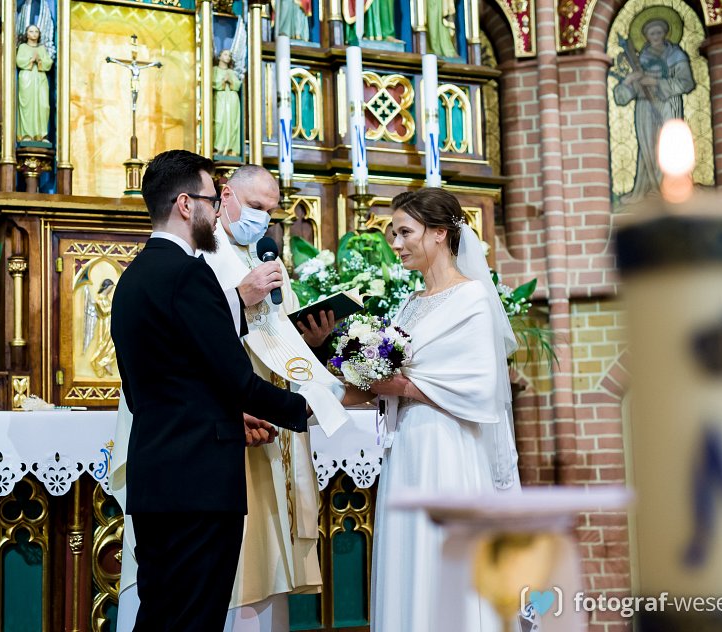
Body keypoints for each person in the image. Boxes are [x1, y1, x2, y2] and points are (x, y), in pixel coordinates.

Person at [113, 164, 346, 632]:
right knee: (195, 619)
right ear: (186, 205)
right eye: (210, 200)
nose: (216, 210)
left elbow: (146, 389)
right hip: (198, 482)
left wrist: (220, 410)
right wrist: (309, 407)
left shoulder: (134, 277)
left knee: (161, 617)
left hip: (157, 475)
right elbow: (237, 380)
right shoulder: (189, 273)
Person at [342, 187, 521, 631]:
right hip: (406, 445)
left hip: (447, 446)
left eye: (405, 232)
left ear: (440, 232)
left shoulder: (472, 297)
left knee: (440, 557)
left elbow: (479, 387)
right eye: (394, 234)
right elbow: (392, 374)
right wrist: (353, 373)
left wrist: (400, 384)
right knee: (408, 557)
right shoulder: (410, 303)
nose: (396, 243)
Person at [613, 17, 694, 202]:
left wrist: (656, 82)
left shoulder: (676, 55)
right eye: (652, 33)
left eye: (659, 32)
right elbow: (625, 95)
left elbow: (686, 83)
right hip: (645, 107)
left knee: (669, 144)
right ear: (646, 37)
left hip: (668, 105)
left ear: (665, 33)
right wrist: (629, 81)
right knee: (648, 147)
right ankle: (650, 188)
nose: (656, 36)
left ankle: (674, 189)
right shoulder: (640, 59)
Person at [16, 24, 53, 142]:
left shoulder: (41, 48)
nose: (34, 34)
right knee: (27, 105)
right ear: (27, 34)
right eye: (31, 31)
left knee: (43, 105)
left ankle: (42, 135)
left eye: (36, 31)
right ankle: (27, 134)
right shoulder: (23, 47)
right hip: (27, 78)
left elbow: (49, 62)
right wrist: (31, 60)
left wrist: (40, 60)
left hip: (40, 78)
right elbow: (19, 61)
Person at [213, 50, 242, 157]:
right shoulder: (214, 70)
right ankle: (218, 147)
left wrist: (230, 81)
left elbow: (237, 85)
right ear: (219, 57)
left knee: (232, 123)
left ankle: (231, 148)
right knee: (219, 122)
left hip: (232, 99)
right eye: (225, 54)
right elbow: (212, 83)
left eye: (229, 55)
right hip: (220, 99)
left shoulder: (231, 72)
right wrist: (222, 81)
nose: (228, 57)